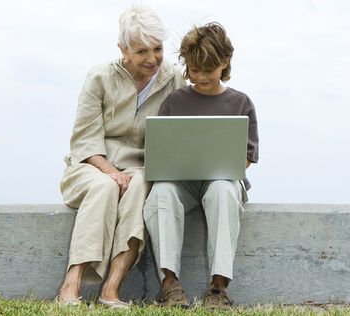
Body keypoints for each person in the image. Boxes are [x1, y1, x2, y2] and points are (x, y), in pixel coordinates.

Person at [58, 5, 184, 307]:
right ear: (123, 49)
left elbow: (182, 130)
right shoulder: (99, 77)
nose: (152, 59)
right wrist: (110, 171)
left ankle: (111, 289)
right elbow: (85, 140)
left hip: (141, 167)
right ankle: (71, 283)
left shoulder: (173, 78)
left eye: (157, 49)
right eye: (142, 51)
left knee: (140, 185)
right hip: (91, 165)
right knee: (105, 187)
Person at [143, 22, 259, 309]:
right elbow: (160, 152)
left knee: (222, 189)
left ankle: (218, 288)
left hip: (222, 183)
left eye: (208, 70)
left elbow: (245, 159)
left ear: (224, 63)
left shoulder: (241, 103)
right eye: (194, 70)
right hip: (182, 185)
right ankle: (169, 284)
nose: (200, 76)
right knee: (162, 191)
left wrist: (217, 164)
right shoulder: (174, 101)